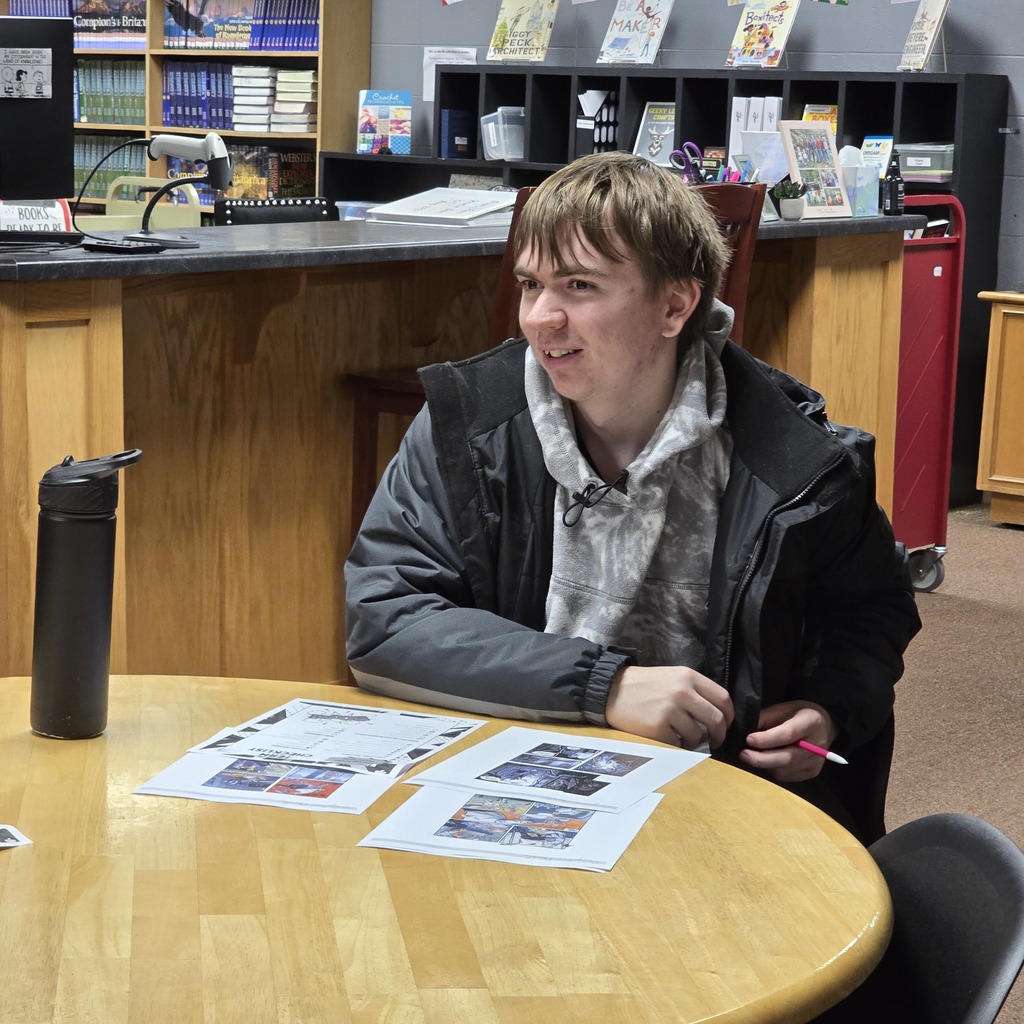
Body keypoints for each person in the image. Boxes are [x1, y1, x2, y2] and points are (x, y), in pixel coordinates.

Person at [345, 151, 921, 842]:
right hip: (505, 780)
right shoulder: (465, 426)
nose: (540, 318)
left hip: (723, 803)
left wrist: (827, 708)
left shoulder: (797, 458)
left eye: (580, 286)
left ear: (675, 305)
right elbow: (387, 617)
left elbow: (871, 609)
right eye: (531, 285)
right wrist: (603, 686)